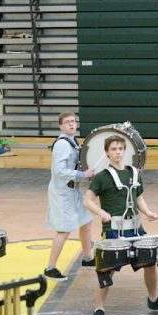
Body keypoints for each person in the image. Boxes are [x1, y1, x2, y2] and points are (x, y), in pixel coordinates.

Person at [83, 135, 158, 315]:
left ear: (125, 151)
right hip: (114, 231)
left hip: (136, 229)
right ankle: (99, 310)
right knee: (106, 271)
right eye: (114, 149)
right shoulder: (101, 177)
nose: (117, 152)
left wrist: (148, 212)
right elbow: (87, 200)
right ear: (107, 152)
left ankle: (153, 298)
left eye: (120, 148)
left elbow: (138, 197)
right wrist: (101, 212)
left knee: (150, 263)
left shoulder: (133, 173)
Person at [44, 112, 96, 281]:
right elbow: (59, 171)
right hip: (63, 192)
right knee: (64, 229)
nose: (71, 125)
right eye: (67, 122)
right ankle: (50, 267)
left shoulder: (72, 141)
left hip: (73, 190)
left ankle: (88, 257)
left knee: (86, 221)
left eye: (73, 121)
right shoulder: (62, 145)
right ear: (61, 126)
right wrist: (82, 174)